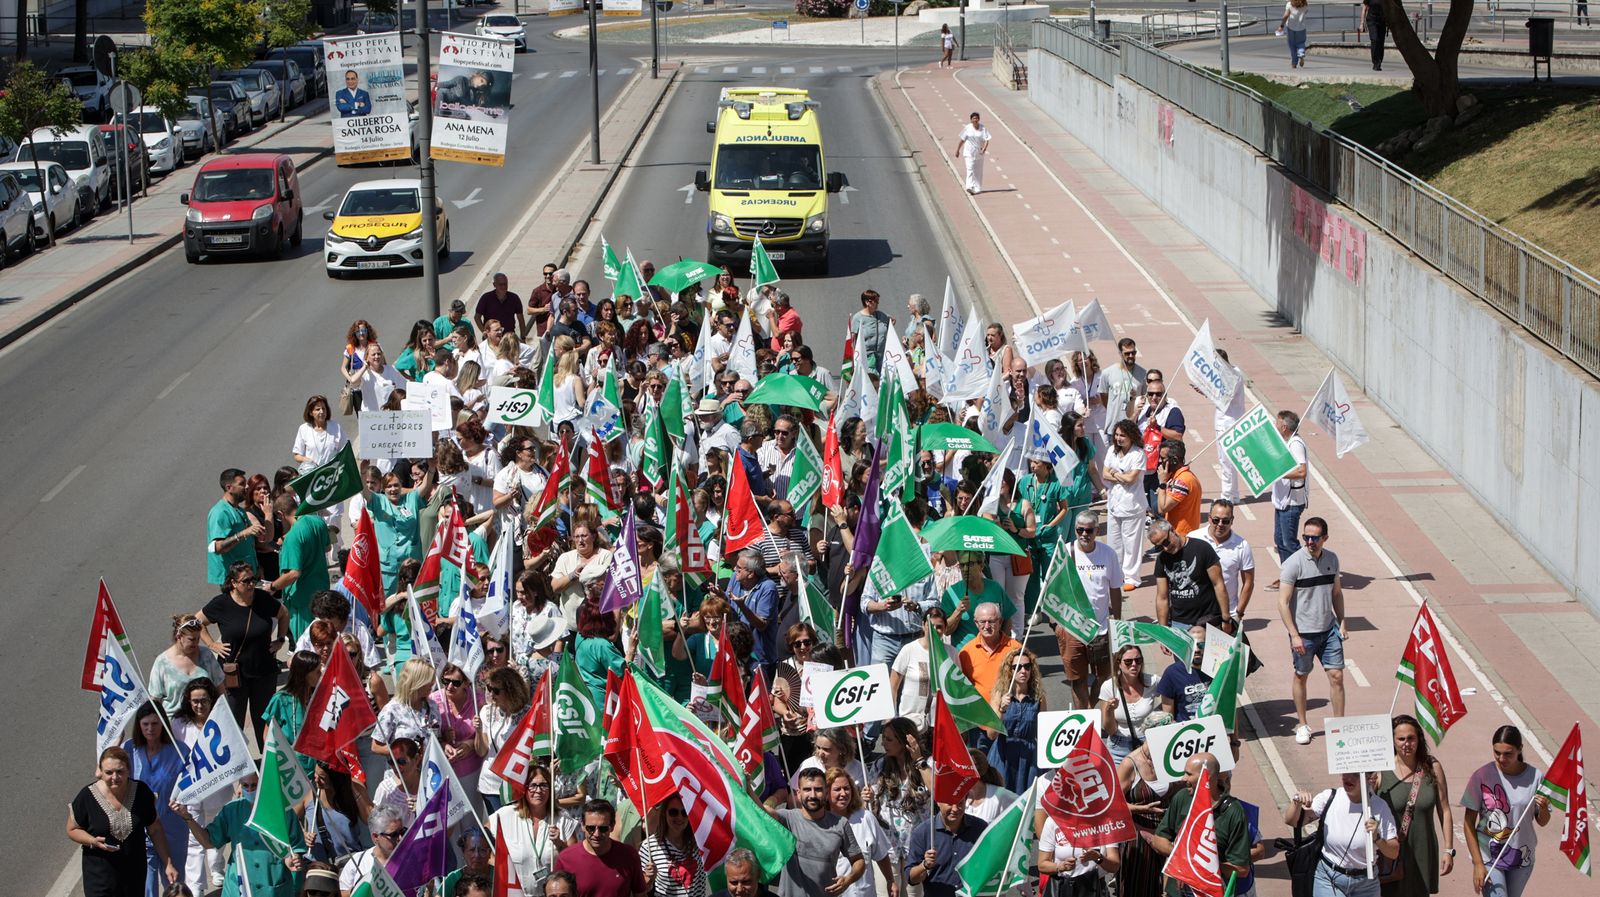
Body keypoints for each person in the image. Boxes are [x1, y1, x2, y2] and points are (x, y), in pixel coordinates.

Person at [198, 560, 288, 743]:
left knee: (264, 720)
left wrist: (280, 639)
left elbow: (284, 614)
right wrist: (212, 645)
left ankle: (267, 762)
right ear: (233, 583)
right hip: (234, 676)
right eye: (246, 581)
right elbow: (197, 622)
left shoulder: (262, 599)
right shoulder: (221, 604)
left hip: (264, 672)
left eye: (253, 579)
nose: (251, 584)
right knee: (234, 722)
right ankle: (239, 764)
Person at [69, 747, 178, 897]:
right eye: (108, 772)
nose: (115, 777)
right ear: (100, 772)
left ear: (129, 771)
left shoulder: (141, 792)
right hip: (100, 877)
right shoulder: (87, 796)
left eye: (120, 771)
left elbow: (155, 830)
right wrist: (92, 841)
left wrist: (168, 863)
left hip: (133, 875)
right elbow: (72, 829)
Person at [1460, 725, 1551, 897]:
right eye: (1497, 752)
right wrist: (1478, 863)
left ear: (1520, 750)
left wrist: (1544, 808)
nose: (1501, 758)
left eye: (1508, 753)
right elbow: (1468, 823)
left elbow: (1543, 821)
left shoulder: (1536, 777)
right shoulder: (1481, 776)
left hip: (1522, 857)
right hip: (1488, 857)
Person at [1279, 516, 1345, 746]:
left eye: (1314, 537)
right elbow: (1283, 602)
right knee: (1301, 675)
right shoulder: (1293, 563)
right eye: (1306, 537)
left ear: (1324, 538)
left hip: (1328, 630)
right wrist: (1294, 634)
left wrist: (1342, 622)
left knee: (1337, 676)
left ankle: (1339, 725)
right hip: (1303, 634)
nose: (1309, 541)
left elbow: (1336, 593)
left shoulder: (1332, 560)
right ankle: (1303, 724)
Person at [1285, 772, 1401, 897]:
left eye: (1356, 774)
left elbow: (1393, 852)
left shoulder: (1379, 807)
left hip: (1366, 884)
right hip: (1329, 879)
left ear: (1368, 777)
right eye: (1346, 772)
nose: (1349, 778)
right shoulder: (1331, 797)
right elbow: (1292, 821)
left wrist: (1377, 838)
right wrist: (1296, 801)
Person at [1152, 754, 1252, 896]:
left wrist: (1203, 867)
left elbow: (1241, 869)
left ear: (1207, 777)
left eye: (1188, 774)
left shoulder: (1233, 812)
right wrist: (1185, 860)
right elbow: (1159, 840)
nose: (1183, 779)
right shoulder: (1182, 797)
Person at [1378, 715, 1455, 897]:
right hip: (1390, 853)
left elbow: (1444, 810)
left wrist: (1448, 850)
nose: (1406, 744)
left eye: (1411, 738)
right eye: (1401, 739)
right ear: (1393, 740)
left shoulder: (1432, 767)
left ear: (1419, 738)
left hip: (1423, 850)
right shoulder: (1380, 769)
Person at [1057, 510, 1122, 706]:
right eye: (1079, 530)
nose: (1084, 534)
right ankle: (1084, 717)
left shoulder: (1108, 554)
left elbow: (1115, 589)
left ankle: (1092, 709)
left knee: (1104, 678)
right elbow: (1055, 588)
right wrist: (1057, 623)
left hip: (1100, 629)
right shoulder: (1065, 552)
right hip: (1072, 628)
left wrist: (1117, 622)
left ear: (1097, 530)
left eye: (1089, 530)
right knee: (1077, 679)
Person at [123, 704, 187, 897]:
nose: (150, 729)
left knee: (173, 882)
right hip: (141, 829)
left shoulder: (179, 750)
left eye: (155, 724)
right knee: (145, 885)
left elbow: (193, 784)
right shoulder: (129, 749)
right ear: (138, 725)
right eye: (145, 724)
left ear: (163, 724)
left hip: (172, 827)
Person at [772, 768, 865, 897]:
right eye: (807, 789)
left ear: (827, 793)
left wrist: (848, 879)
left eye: (818, 789)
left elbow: (858, 860)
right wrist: (746, 786)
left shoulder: (840, 824)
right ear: (798, 793)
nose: (813, 795)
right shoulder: (787, 819)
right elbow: (759, 811)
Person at [491, 765, 572, 893]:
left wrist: (559, 843)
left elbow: (573, 860)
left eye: (544, 785)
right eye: (533, 785)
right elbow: (483, 838)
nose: (538, 790)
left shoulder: (563, 818)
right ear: (524, 789)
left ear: (551, 789)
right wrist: (499, 870)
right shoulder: (506, 815)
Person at [1149, 520, 1232, 634]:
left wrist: (1226, 618)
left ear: (1173, 530)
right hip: (1179, 624)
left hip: (1208, 621)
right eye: (1159, 547)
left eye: (1166, 542)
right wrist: (1164, 633)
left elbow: (1218, 584)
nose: (1166, 548)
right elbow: (1162, 598)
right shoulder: (1162, 560)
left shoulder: (1202, 548)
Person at [553, 799, 646, 897]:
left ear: (612, 826)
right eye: (591, 828)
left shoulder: (629, 855)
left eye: (603, 828)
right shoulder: (566, 858)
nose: (596, 834)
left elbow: (640, 894)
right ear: (582, 826)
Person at [824, 769, 895, 897]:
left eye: (846, 788)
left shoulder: (866, 818)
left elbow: (881, 854)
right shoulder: (820, 823)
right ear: (826, 793)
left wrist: (890, 880)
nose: (843, 793)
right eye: (837, 789)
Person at [271, 494, 332, 642]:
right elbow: (328, 546)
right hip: (322, 592)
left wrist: (272, 586)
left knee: (306, 644)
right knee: (324, 639)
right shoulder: (318, 521)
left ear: (280, 514)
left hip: (302, 600)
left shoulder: (293, 536)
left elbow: (294, 573)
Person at [986, 647, 1043, 794]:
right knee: (1002, 800)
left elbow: (1044, 733)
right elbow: (991, 734)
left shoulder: (1038, 697)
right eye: (1017, 667)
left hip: (1028, 756)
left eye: (1027, 667)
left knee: (1028, 800)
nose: (1023, 671)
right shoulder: (1000, 694)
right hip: (1003, 753)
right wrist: (1002, 710)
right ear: (1009, 670)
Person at [1190, 499, 1255, 625]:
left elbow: (1248, 582)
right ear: (1209, 518)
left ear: (1232, 521)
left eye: (1225, 521)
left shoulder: (1242, 546)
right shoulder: (1193, 538)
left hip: (1225, 615)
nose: (1220, 524)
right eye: (1216, 520)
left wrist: (1238, 614)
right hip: (1195, 612)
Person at [149, 614, 226, 716]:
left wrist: (224, 713)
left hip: (207, 721)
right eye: (191, 639)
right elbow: (155, 700)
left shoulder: (206, 656)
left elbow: (220, 689)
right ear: (179, 637)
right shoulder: (162, 663)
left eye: (198, 639)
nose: (196, 643)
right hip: (175, 723)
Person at [906, 797, 984, 897]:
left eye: (960, 803)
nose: (955, 809)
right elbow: (911, 878)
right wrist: (924, 865)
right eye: (950, 803)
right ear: (938, 802)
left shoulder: (980, 828)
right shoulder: (922, 832)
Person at [1104, 419, 1149, 590]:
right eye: (1116, 434)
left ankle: (1132, 577)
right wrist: (1120, 475)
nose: (1118, 438)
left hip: (1133, 506)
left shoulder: (1138, 454)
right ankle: (1116, 574)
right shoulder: (1111, 451)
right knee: (1114, 542)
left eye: (1122, 435)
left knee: (1132, 544)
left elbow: (1132, 479)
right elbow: (1104, 474)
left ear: (1131, 436)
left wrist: (1116, 474)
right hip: (1114, 504)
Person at [263, 651, 321, 780]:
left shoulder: (319, 697)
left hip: (316, 769)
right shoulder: (281, 699)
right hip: (290, 772)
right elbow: (268, 736)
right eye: (317, 672)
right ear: (305, 674)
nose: (321, 674)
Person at [1269, 409, 1310, 582]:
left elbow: (1301, 471)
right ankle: (1288, 575)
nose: (1275, 426)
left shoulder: (1295, 444)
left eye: (1277, 423)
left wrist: (1277, 473)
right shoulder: (1285, 442)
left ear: (1284, 427)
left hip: (1292, 502)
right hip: (1282, 500)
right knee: (1280, 540)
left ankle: (1306, 572)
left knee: (1289, 542)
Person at [1099, 644, 1159, 765]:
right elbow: (1110, 730)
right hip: (1119, 746)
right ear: (1119, 663)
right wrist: (1109, 711)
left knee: (1149, 783)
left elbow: (1171, 693)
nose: (1134, 665)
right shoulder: (1108, 687)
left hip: (1148, 744)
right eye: (1128, 662)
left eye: (1138, 660)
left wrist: (1163, 717)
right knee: (1119, 784)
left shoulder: (1152, 681)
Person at [640, 795, 707, 897]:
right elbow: (639, 890)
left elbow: (701, 884)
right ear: (664, 814)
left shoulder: (698, 842)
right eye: (673, 812)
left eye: (684, 813)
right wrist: (648, 878)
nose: (679, 817)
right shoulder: (649, 846)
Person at [1038, 813, 1120, 897]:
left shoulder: (1106, 822)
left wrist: (1098, 858)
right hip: (1063, 888)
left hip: (1095, 889)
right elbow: (1042, 865)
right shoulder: (1053, 821)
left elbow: (1114, 866)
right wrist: (1061, 866)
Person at [957, 603, 1022, 704]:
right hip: (980, 714)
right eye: (982, 621)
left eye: (991, 621)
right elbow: (961, 688)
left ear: (1000, 622)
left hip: (1010, 712)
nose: (987, 626)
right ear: (976, 623)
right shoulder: (966, 652)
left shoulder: (1016, 648)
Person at [207, 469, 262, 586]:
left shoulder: (239, 510)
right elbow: (218, 547)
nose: (247, 487)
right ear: (228, 487)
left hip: (248, 577)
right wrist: (243, 533)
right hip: (233, 580)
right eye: (242, 484)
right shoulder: (220, 512)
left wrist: (257, 567)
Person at [337, 805, 406, 896]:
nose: (400, 838)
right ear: (376, 837)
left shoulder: (411, 860)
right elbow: (340, 894)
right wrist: (358, 888)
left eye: (403, 832)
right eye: (394, 835)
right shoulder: (357, 861)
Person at [1154, 624, 1212, 722]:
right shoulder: (1172, 673)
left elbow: (1230, 708)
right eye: (1192, 645)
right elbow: (1168, 717)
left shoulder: (1218, 670)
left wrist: (1234, 737)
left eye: (1201, 645)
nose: (1197, 650)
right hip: (1185, 732)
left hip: (1213, 729)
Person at [1155, 438, 1203, 535]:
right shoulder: (1181, 476)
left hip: (1181, 535)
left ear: (1175, 460)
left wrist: (1162, 483)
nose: (1160, 462)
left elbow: (1162, 508)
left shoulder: (1182, 481)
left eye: (1163, 459)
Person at [952, 112, 990, 195]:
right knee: (970, 169)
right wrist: (958, 150)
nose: (975, 120)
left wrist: (984, 148)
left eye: (976, 118)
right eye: (973, 118)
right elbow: (962, 139)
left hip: (979, 153)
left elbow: (987, 140)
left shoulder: (983, 128)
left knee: (978, 171)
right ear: (971, 120)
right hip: (968, 153)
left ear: (979, 119)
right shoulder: (967, 128)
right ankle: (969, 186)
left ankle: (977, 188)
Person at [1278, 0, 1310, 68]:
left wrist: (1281, 25)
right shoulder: (1305, 4)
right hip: (1301, 28)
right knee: (1301, 43)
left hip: (1291, 28)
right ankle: (1301, 54)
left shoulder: (1289, 4)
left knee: (1292, 46)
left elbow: (1286, 16)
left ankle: (1294, 63)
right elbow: (1305, 12)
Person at [1360, 0, 1388, 71]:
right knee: (1375, 39)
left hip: (1382, 21)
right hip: (1371, 20)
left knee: (1381, 42)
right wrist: (1362, 23)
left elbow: (1389, 9)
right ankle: (1376, 62)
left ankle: (1379, 61)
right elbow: (1364, 8)